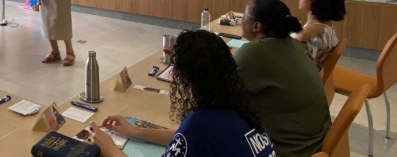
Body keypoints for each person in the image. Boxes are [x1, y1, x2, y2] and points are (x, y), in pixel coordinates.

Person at [88, 29, 275, 157]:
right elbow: (185, 138)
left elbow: (190, 135)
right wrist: (135, 131)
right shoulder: (244, 109)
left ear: (185, 77)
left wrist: (109, 148)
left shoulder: (200, 124)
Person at [235, 0, 330, 157]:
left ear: (257, 26)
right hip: (314, 142)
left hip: (288, 150)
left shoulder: (254, 52)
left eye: (244, 16)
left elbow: (217, 92)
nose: (240, 21)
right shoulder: (292, 44)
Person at [295, 0, 347, 70]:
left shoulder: (313, 35)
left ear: (316, 0)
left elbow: (296, 65)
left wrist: (301, 37)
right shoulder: (327, 26)